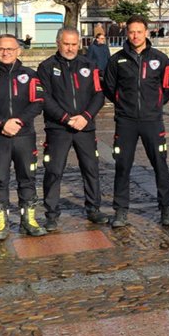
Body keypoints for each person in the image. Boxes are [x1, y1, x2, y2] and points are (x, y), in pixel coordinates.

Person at [102, 15, 169, 228]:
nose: (135, 36)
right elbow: (109, 87)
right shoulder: (117, 60)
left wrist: (155, 104)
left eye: (139, 32)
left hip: (152, 120)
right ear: (127, 33)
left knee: (160, 164)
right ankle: (120, 210)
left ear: (147, 32)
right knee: (122, 165)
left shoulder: (160, 59)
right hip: (126, 121)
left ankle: (166, 208)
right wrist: (123, 104)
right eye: (132, 32)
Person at [0, 35, 45, 240]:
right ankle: (1, 223)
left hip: (24, 136)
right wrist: (2, 123)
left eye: (10, 49)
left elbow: (38, 103)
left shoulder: (30, 75)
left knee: (28, 178)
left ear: (18, 51)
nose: (5, 53)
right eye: (1, 49)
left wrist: (18, 122)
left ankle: (29, 220)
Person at [37, 27, 106, 230]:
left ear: (79, 44)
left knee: (91, 169)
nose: (70, 48)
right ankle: (51, 214)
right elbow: (44, 98)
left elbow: (99, 94)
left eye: (74, 44)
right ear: (58, 43)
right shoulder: (46, 67)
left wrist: (86, 116)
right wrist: (66, 118)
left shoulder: (89, 65)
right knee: (54, 170)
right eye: (66, 44)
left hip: (85, 127)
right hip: (58, 128)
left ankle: (93, 208)